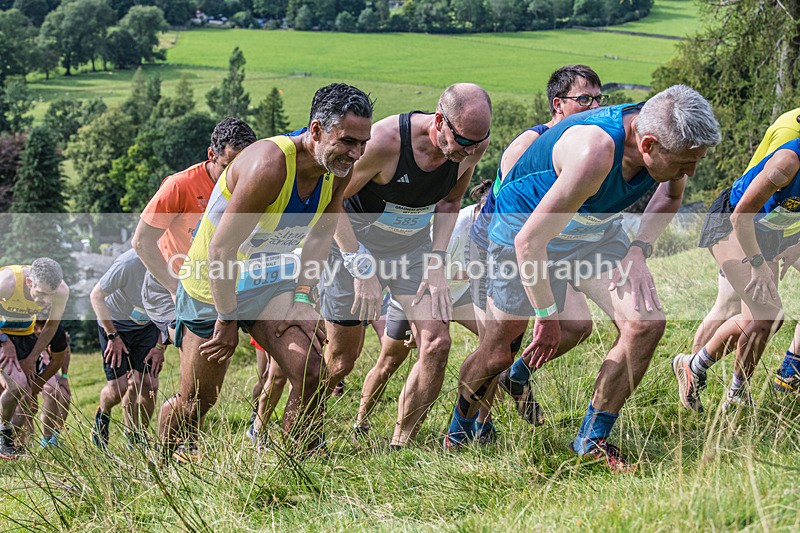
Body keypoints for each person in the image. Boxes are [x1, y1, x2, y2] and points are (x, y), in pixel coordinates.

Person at [447, 85, 721, 472]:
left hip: (591, 230)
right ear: (647, 145)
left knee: (645, 323)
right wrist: (547, 315)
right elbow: (530, 242)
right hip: (521, 231)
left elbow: (671, 197)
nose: (689, 172)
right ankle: (458, 432)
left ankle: (591, 440)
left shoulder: (669, 136)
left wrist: (639, 248)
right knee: (497, 352)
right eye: (683, 164)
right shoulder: (594, 153)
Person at [159, 83, 373, 458]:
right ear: (317, 131)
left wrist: (305, 295)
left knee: (310, 373)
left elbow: (322, 234)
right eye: (347, 141)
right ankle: (160, 462)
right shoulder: (269, 166)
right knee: (197, 402)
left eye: (363, 143)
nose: (355, 154)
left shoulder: (336, 168)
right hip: (213, 284)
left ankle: (296, 464)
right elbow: (221, 248)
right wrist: (226, 320)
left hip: (266, 282)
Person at [320, 83, 492, 447]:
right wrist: (359, 264)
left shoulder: (471, 145)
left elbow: (450, 202)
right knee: (341, 361)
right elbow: (330, 202)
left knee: (437, 343)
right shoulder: (384, 143)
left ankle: (401, 443)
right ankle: (304, 427)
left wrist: (436, 261)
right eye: (464, 142)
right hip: (352, 246)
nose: (471, 151)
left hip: (410, 250)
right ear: (440, 120)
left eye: (479, 142)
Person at [470, 65, 605, 427]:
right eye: (584, 99)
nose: (593, 106)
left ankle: (516, 375)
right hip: (496, 247)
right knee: (498, 346)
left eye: (597, 98)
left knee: (577, 327)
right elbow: (511, 219)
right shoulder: (528, 145)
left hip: (543, 247)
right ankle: (474, 428)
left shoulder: (588, 148)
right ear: (558, 104)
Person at [673, 138, 800, 412]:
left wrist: (794, 249)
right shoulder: (787, 162)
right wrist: (758, 264)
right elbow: (740, 216)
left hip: (769, 233)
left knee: (765, 321)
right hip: (732, 221)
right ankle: (694, 366)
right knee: (767, 313)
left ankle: (736, 395)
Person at [354, 181, 488, 440]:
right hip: (417, 293)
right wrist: (418, 321)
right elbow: (418, 268)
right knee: (389, 362)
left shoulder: (499, 231)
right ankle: (361, 419)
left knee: (492, 344)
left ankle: (482, 424)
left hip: (454, 297)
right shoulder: (458, 224)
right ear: (479, 207)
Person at [132, 118, 258, 344]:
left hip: (218, 280)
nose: (239, 176)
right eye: (228, 167)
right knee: (200, 343)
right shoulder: (179, 186)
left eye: (246, 167)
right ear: (211, 155)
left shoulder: (255, 185)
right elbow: (141, 242)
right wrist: (175, 287)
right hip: (168, 281)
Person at [90, 249, 164, 448]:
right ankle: (102, 415)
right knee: (119, 389)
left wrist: (160, 346)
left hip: (148, 328)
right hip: (115, 326)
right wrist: (112, 336)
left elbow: (173, 307)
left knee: (149, 384)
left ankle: (136, 435)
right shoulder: (127, 264)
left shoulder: (175, 261)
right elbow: (96, 296)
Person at [0, 258, 69, 459]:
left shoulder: (62, 291)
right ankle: (3, 434)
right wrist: (4, 340)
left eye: (50, 295)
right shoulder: (6, 283)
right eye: (41, 294)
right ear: (29, 282)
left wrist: (32, 357)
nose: (46, 301)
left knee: (28, 393)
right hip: (3, 334)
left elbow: (50, 327)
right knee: (17, 386)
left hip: (23, 335)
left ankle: (11, 443)